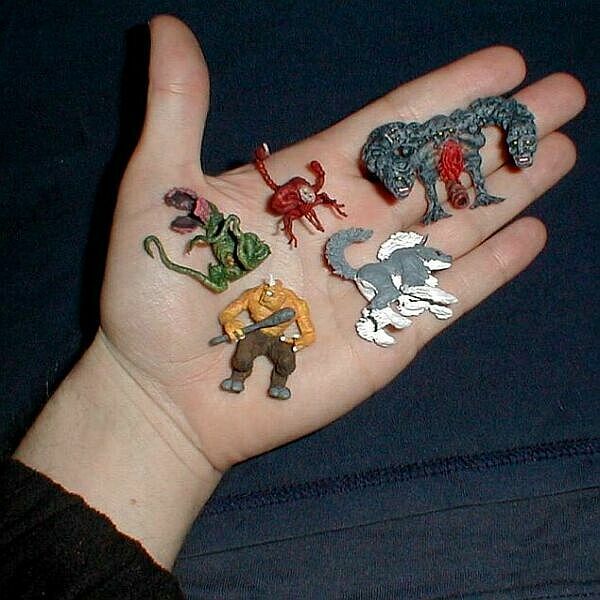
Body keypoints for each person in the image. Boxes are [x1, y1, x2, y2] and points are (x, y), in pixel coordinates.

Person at [0, 13, 589, 598]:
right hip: (262, 319)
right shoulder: (262, 285)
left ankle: (267, 369)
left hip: (288, 316)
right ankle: (248, 370)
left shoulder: (301, 280)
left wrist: (150, 408)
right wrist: (150, 394)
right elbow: (249, 310)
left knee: (279, 358)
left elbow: (300, 319)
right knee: (254, 354)